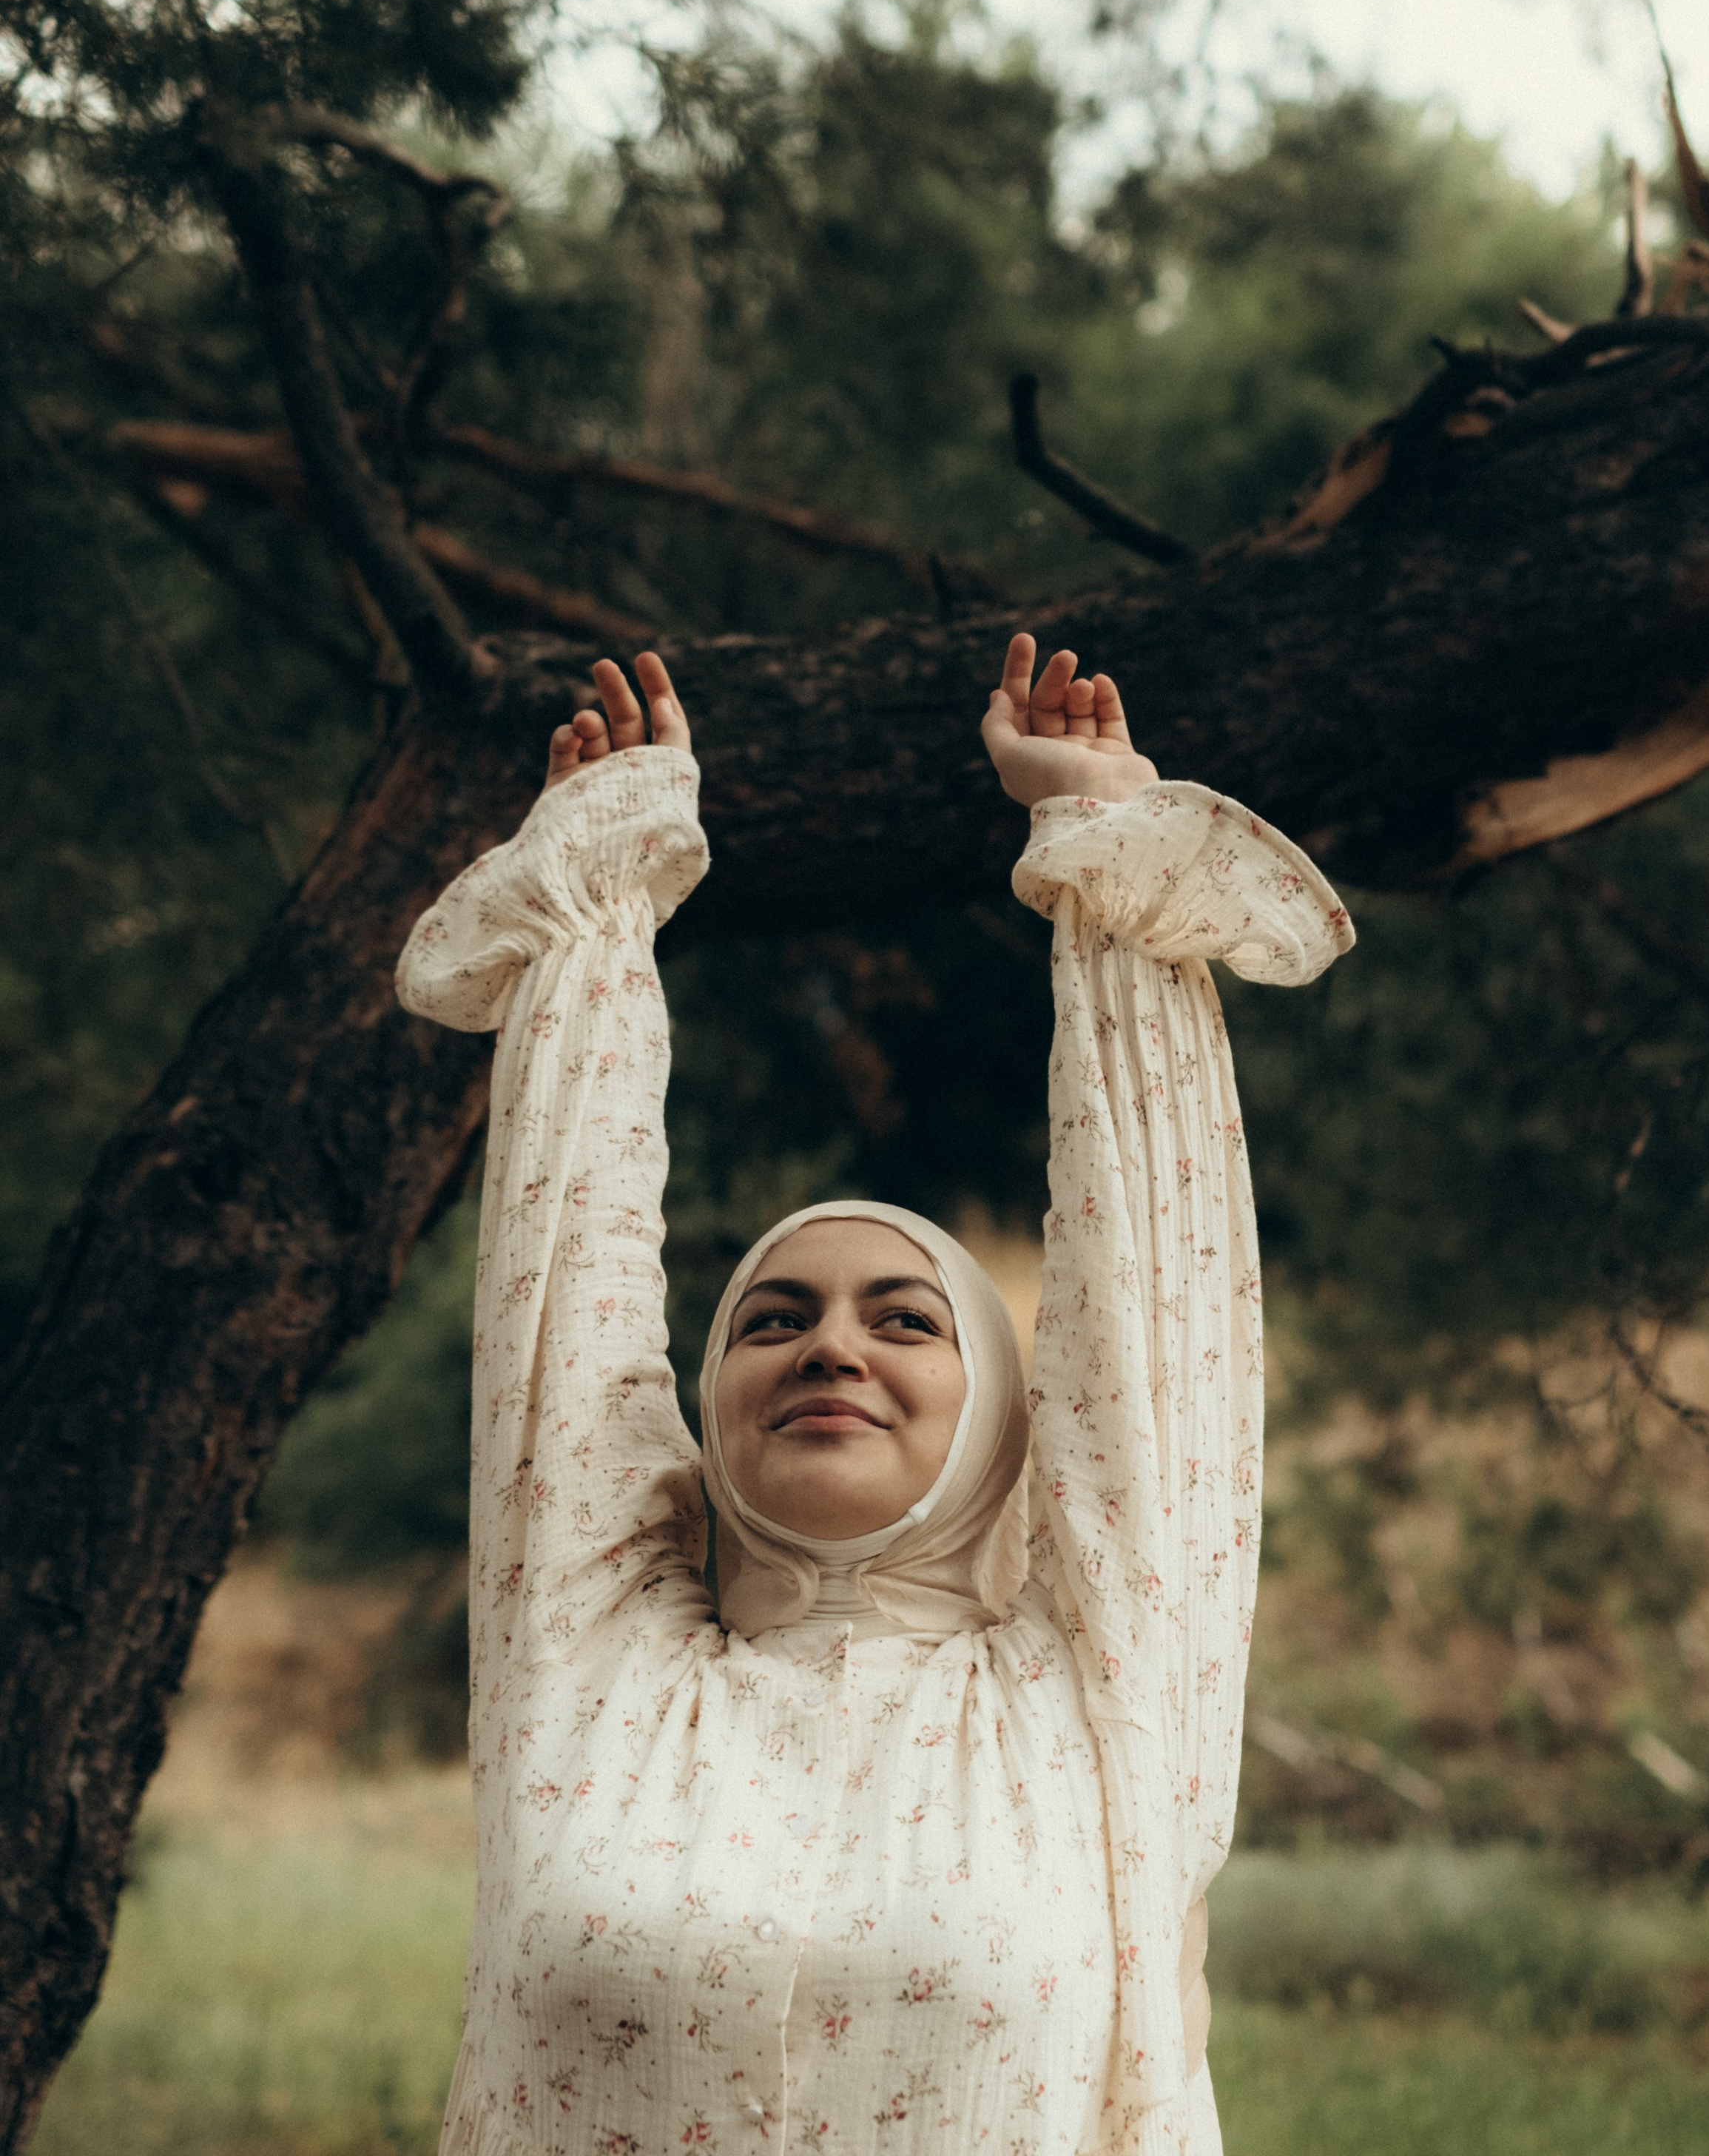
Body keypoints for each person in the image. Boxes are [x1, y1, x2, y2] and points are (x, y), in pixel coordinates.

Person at [395, 634, 1354, 2156]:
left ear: (1001, 1420)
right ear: (703, 1414)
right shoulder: (583, 1675)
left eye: (903, 1320)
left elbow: (1150, 1330)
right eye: (772, 1319)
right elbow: (556, 1312)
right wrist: (590, 928)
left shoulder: (1095, 1698)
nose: (829, 1347)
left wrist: (1101, 866)